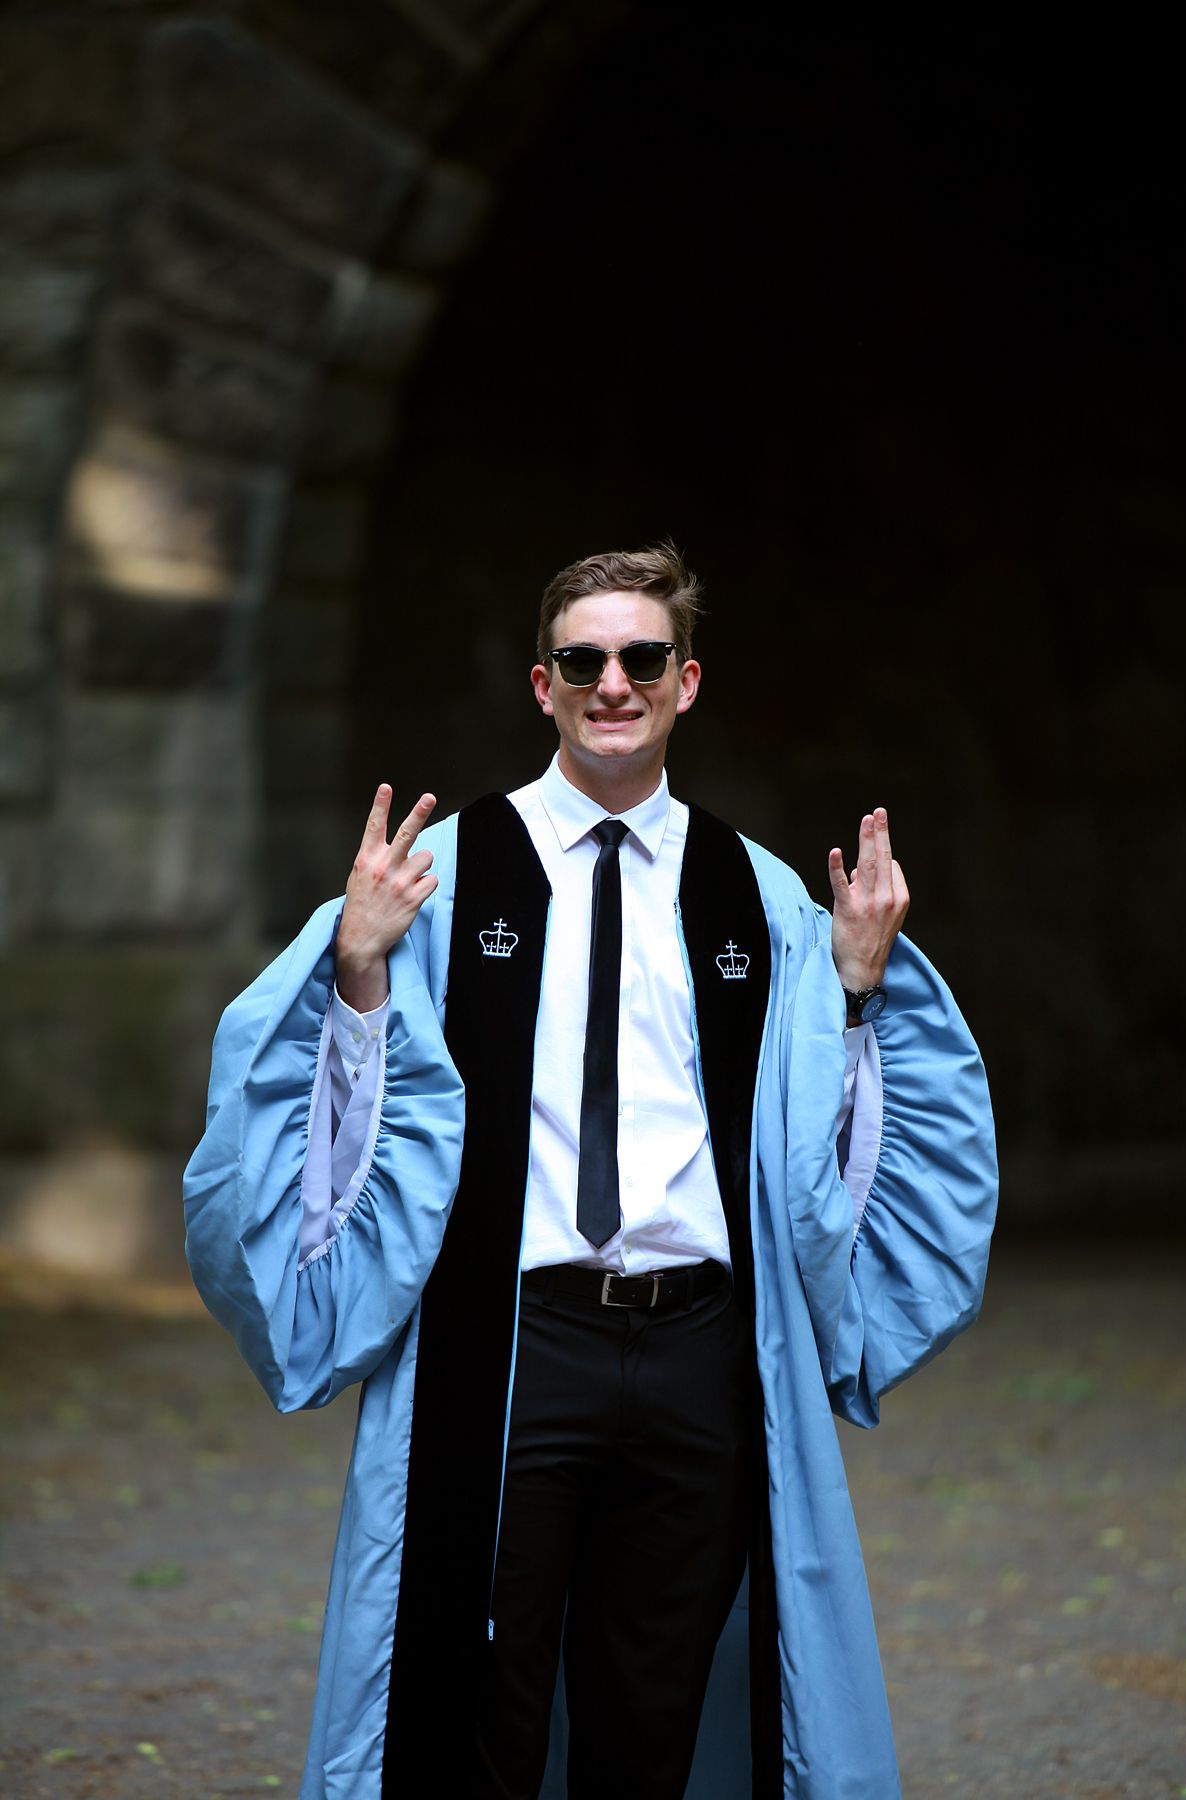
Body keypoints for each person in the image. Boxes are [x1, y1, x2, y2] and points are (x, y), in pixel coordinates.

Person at [184, 543, 997, 1800]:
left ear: (686, 683)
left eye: (641, 659)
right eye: (584, 660)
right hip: (519, 1346)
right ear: (542, 683)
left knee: (656, 1706)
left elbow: (814, 1159)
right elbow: (334, 1134)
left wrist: (852, 989)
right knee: (479, 1702)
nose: (612, 682)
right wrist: (355, 970)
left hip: (697, 1353)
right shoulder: (440, 880)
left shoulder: (760, 896)